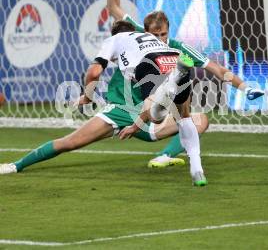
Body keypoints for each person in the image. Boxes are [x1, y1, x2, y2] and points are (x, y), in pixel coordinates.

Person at [106, 0, 264, 168]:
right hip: (137, 108)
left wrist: (245, 88)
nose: (160, 39)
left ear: (169, 30)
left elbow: (218, 70)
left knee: (201, 120)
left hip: (163, 111)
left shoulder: (181, 49)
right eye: (154, 35)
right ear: (145, 32)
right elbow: (113, 7)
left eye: (163, 34)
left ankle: (164, 156)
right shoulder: (138, 36)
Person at [0, 21, 208, 186]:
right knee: (191, 118)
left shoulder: (120, 50)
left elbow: (94, 71)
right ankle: (183, 161)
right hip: (145, 99)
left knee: (69, 142)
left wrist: (87, 98)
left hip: (131, 114)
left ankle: (16, 165)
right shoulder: (153, 46)